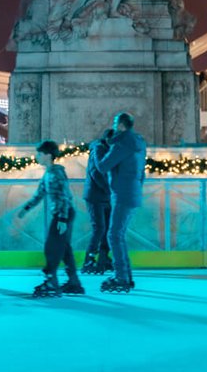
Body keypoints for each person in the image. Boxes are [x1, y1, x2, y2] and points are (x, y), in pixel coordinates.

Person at [16, 140, 83, 297]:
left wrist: (62, 219)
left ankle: (51, 281)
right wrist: (25, 209)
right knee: (64, 248)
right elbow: (39, 194)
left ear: (48, 155)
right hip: (62, 214)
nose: (37, 156)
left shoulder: (56, 173)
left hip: (62, 214)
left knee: (51, 247)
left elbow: (64, 196)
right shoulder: (49, 173)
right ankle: (74, 281)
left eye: (40, 154)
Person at [95, 112, 146, 294]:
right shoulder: (138, 142)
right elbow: (142, 173)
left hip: (122, 194)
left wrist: (97, 149)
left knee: (114, 235)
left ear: (122, 125)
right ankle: (125, 276)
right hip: (132, 192)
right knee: (119, 235)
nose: (114, 125)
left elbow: (102, 166)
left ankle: (121, 277)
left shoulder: (122, 143)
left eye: (116, 122)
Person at [82, 131, 114, 274]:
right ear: (108, 139)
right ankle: (89, 259)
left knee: (107, 228)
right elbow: (95, 172)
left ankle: (103, 258)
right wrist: (108, 189)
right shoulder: (98, 149)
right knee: (99, 228)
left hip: (106, 196)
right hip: (95, 196)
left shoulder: (110, 150)